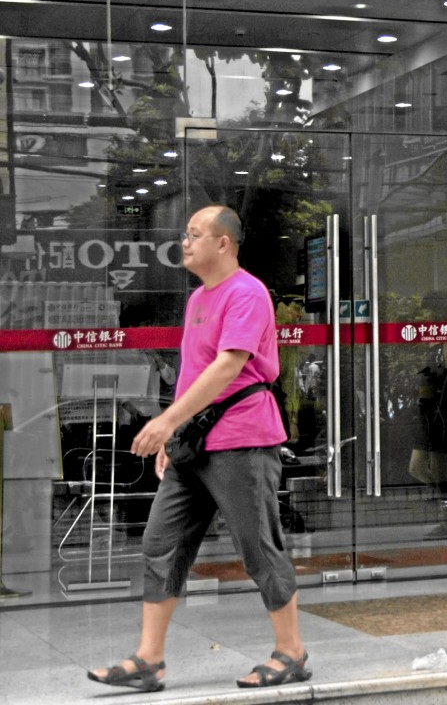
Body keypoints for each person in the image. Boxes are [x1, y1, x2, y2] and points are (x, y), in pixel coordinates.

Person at [87, 205, 309, 692]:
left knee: (257, 548)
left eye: (193, 234)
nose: (184, 242)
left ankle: (291, 652)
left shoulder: (248, 293)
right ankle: (149, 659)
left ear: (223, 243)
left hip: (243, 440)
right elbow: (192, 373)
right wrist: (177, 434)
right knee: (160, 543)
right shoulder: (199, 300)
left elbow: (228, 367)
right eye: (184, 234)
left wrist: (166, 422)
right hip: (197, 444)